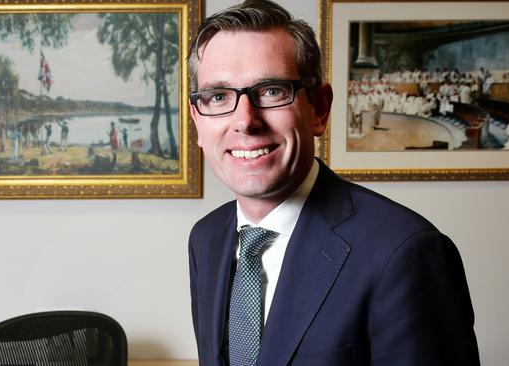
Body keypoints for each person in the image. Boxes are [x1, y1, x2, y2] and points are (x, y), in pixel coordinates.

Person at [187, 1, 479, 365]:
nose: (245, 121)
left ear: (320, 109)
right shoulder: (207, 238)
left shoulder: (405, 252)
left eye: (272, 91)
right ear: (198, 121)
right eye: (218, 96)